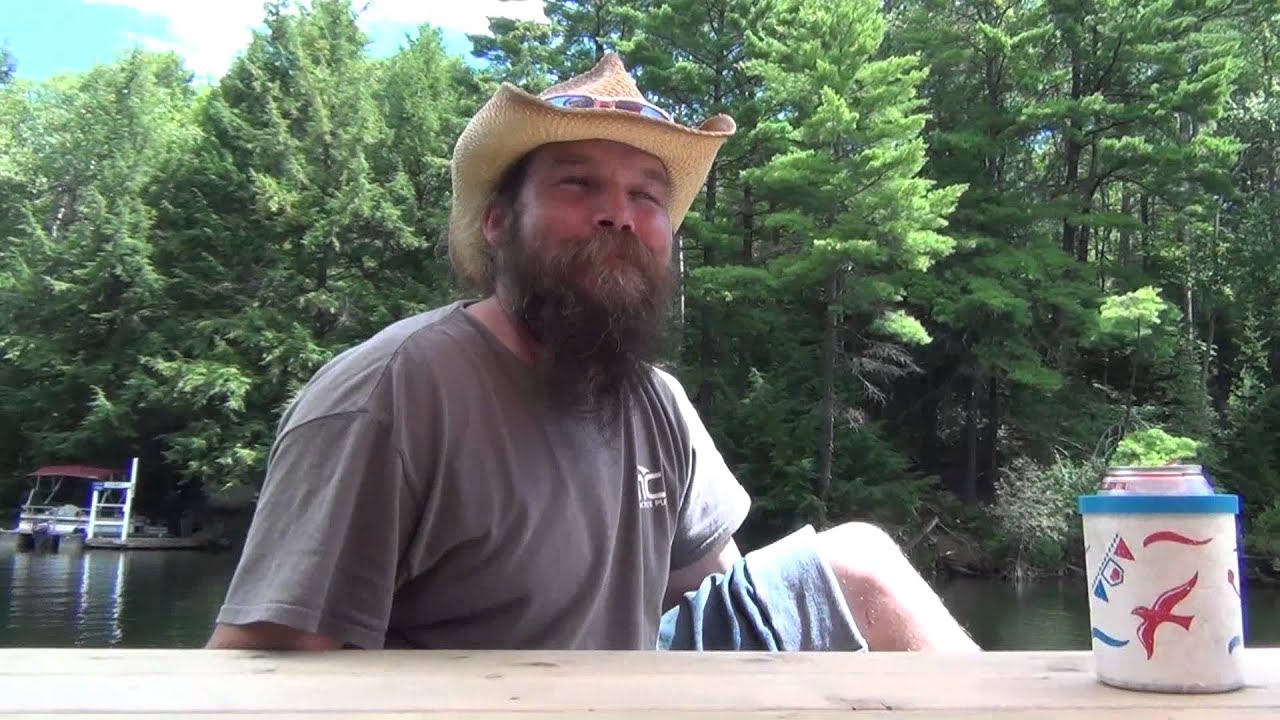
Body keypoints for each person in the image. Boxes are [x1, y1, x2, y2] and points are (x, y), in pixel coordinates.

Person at [205, 53, 979, 654]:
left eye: (647, 195)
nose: (619, 213)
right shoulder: (394, 393)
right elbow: (266, 670)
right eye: (579, 184)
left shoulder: (657, 404)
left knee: (860, 567)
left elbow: (725, 610)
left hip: (634, 692)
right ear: (499, 224)